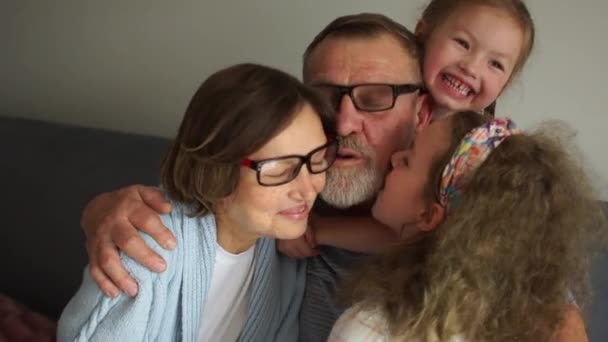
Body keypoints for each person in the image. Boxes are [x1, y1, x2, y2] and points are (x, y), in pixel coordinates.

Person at [57, 63, 338, 341]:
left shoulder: (286, 260)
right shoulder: (149, 250)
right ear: (218, 169)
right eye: (279, 169)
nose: (309, 187)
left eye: (317, 159)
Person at [329, 112, 607, 341]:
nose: (394, 158)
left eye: (409, 159)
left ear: (428, 217)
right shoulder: (534, 321)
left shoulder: (368, 330)